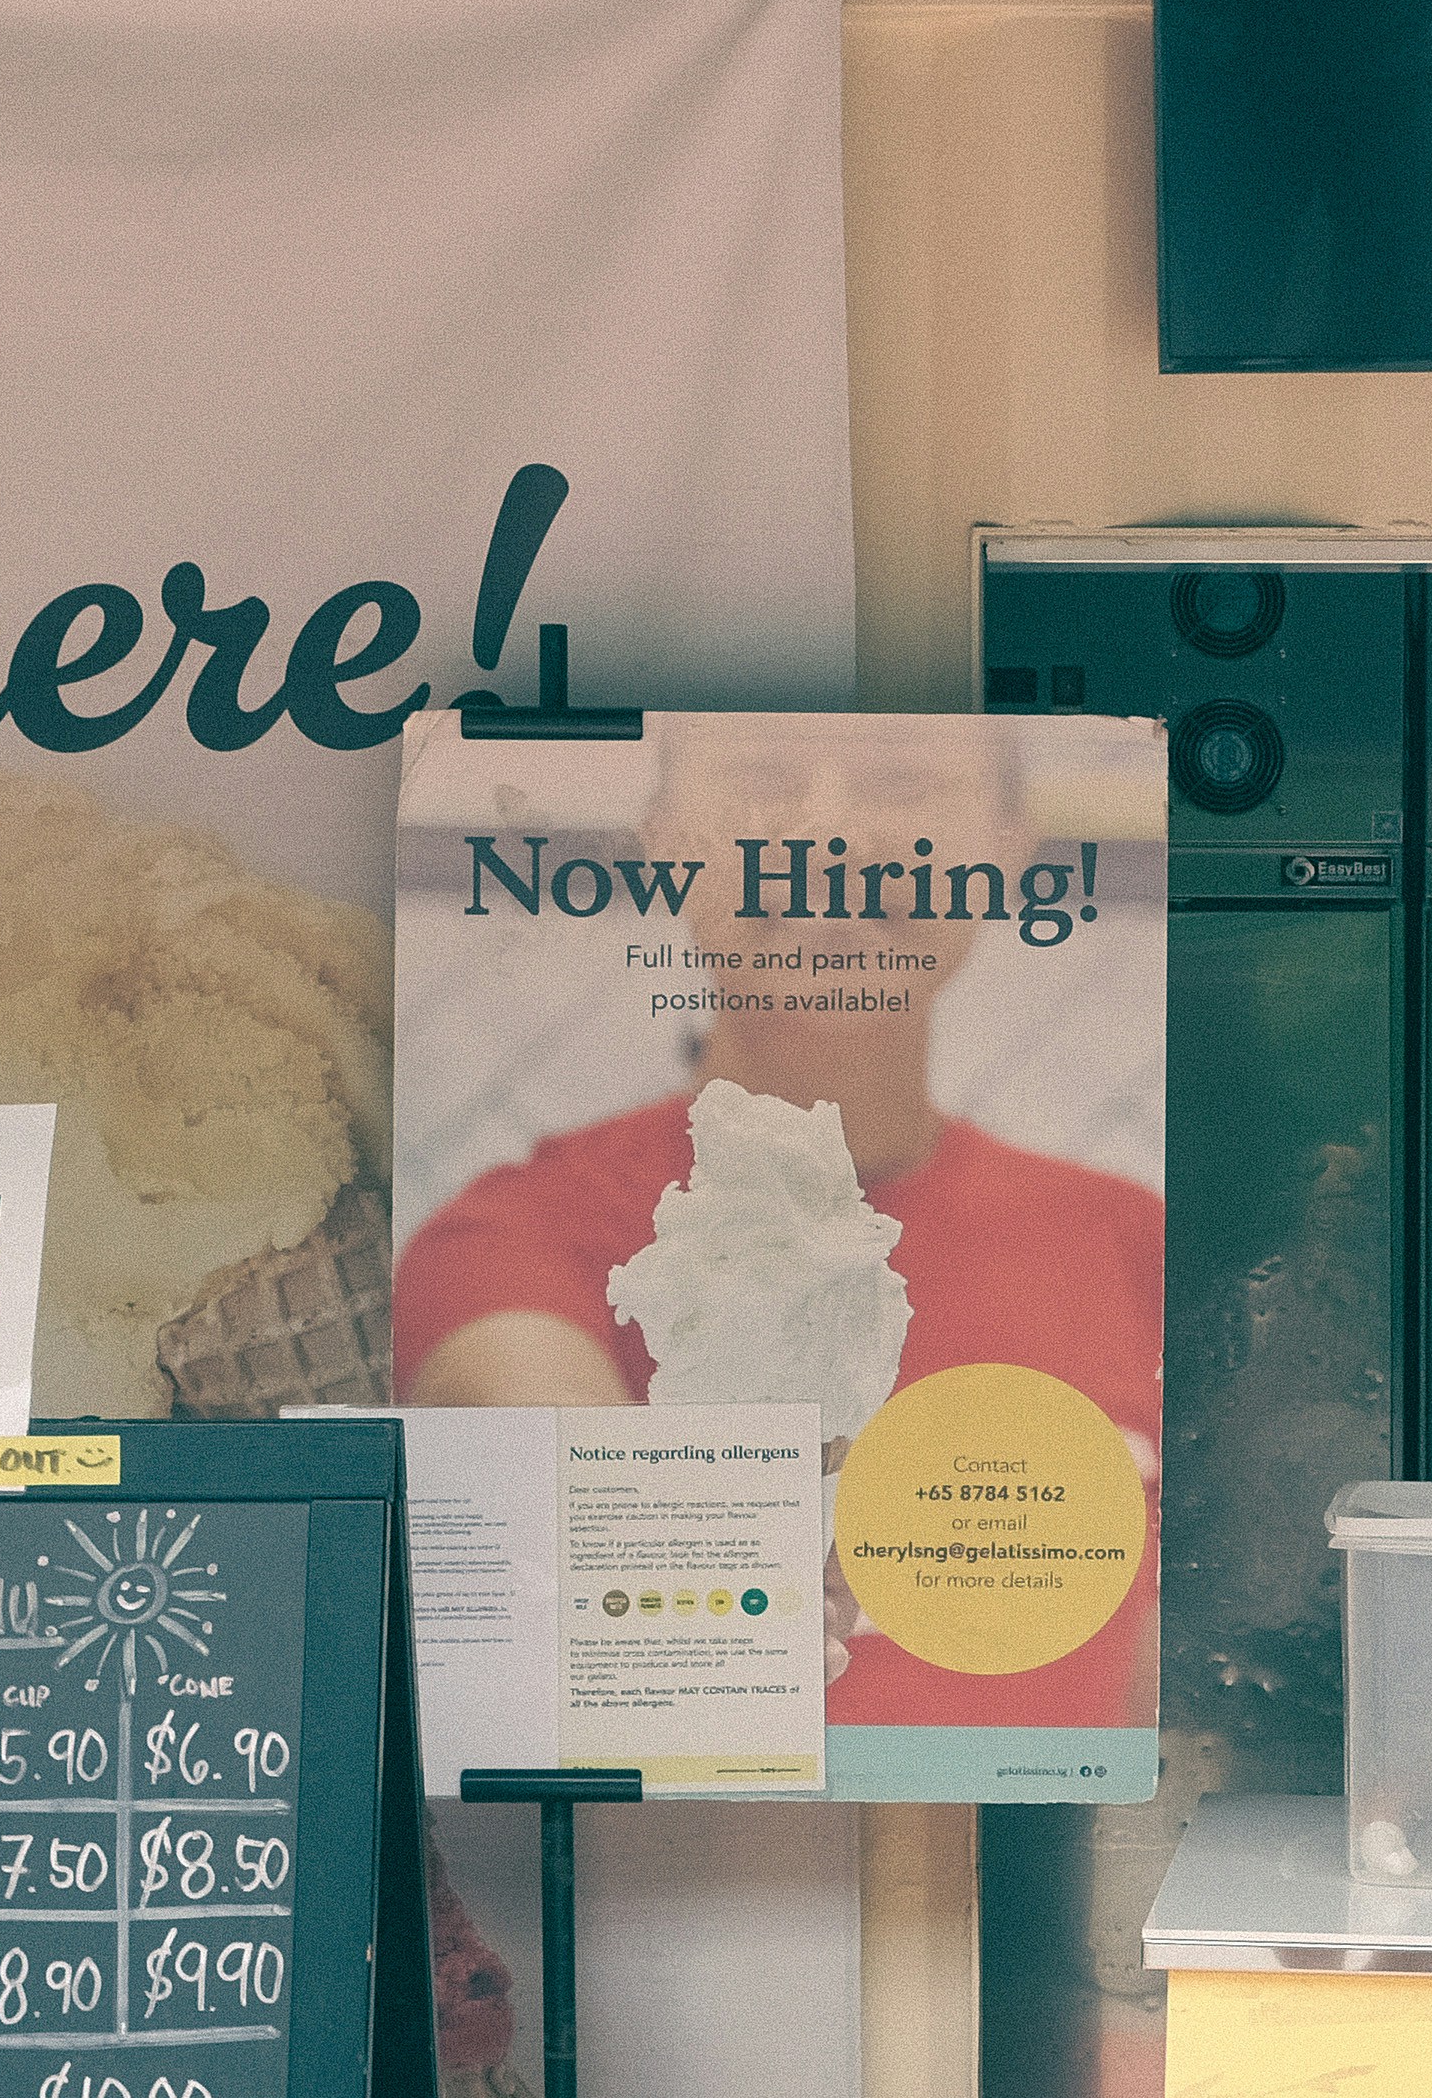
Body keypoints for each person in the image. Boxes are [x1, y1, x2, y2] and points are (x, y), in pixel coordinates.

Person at [392, 712, 1162, 1739]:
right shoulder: (515, 1239)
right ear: (666, 840)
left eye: (902, 784)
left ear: (1007, 849)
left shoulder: (1131, 1246)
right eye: (760, 776)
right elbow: (550, 1455)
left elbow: (1153, 1691)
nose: (829, 841)